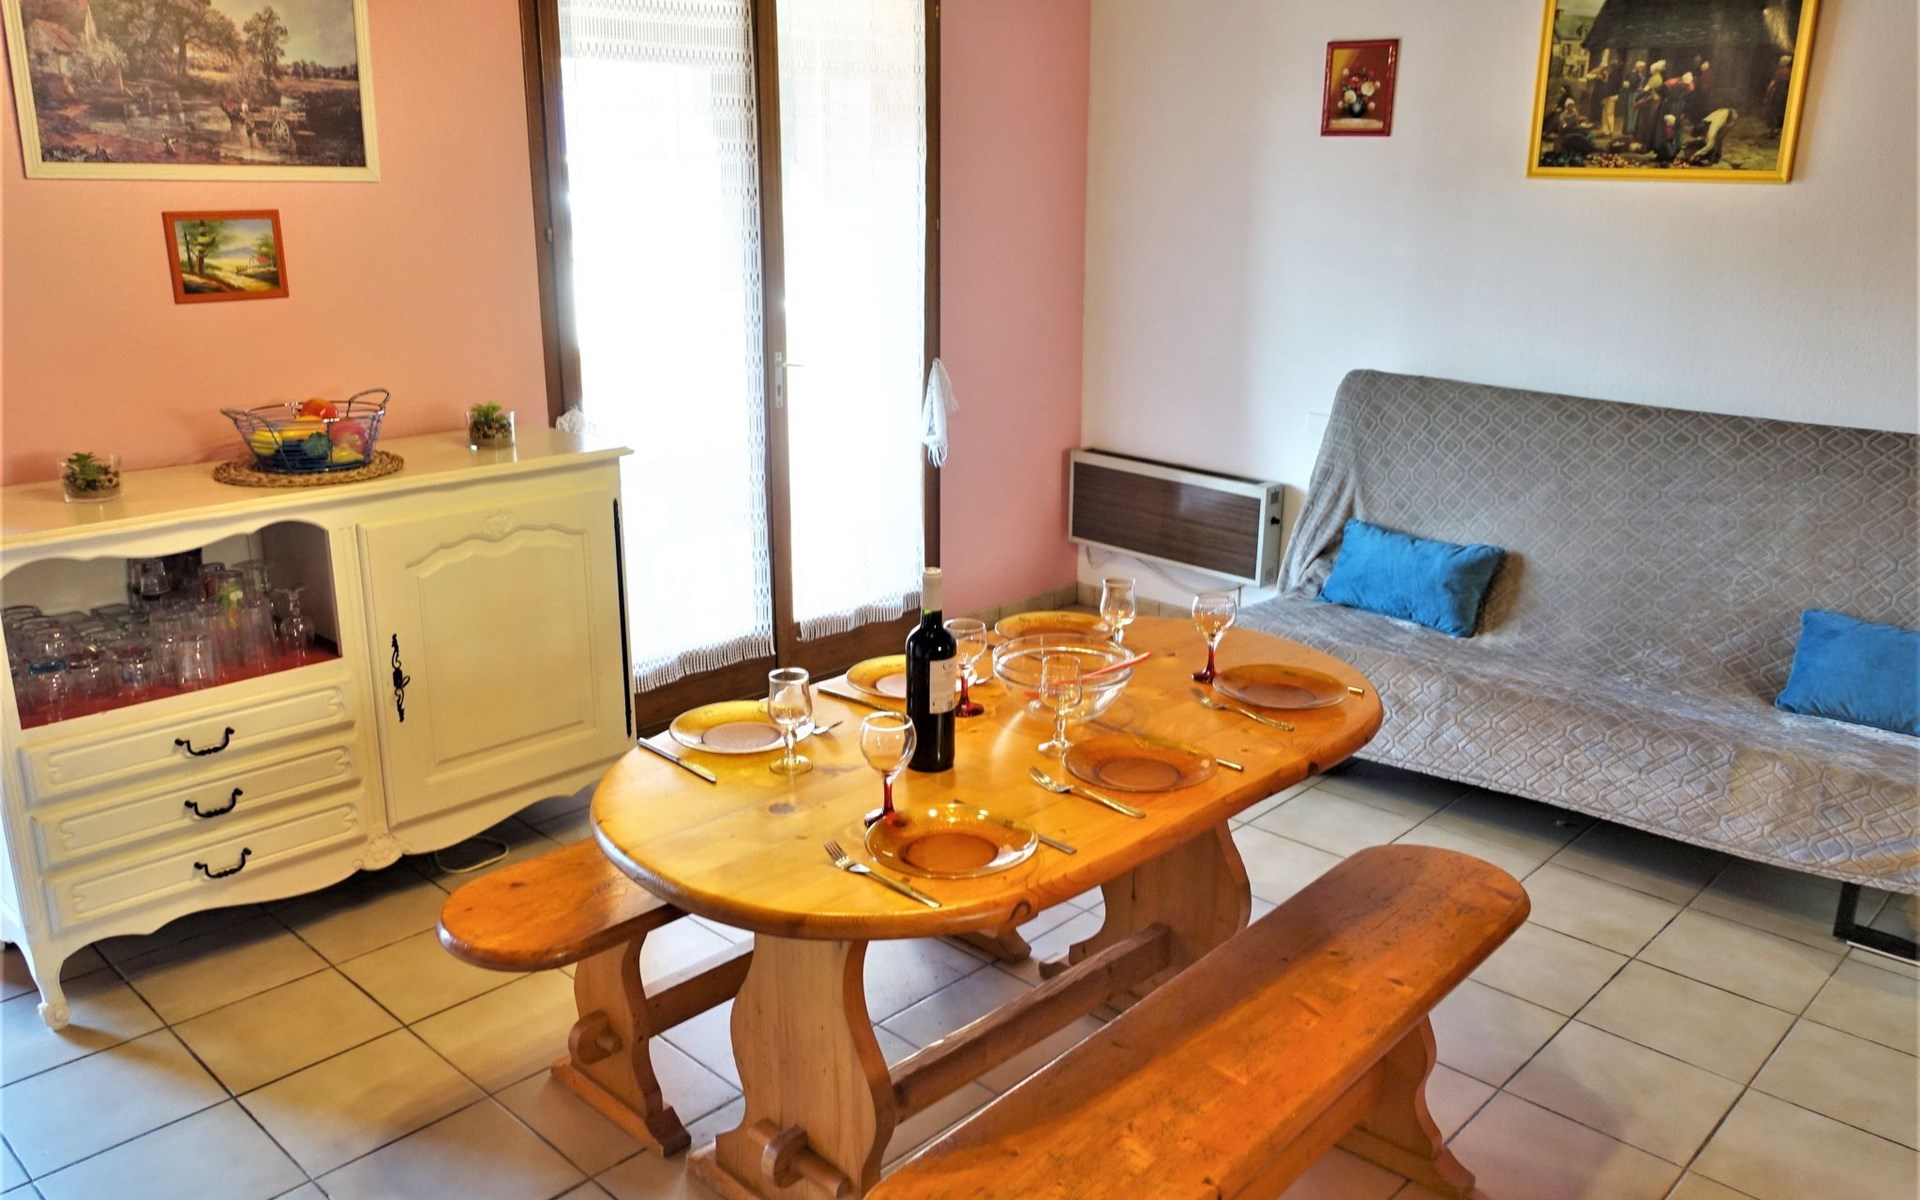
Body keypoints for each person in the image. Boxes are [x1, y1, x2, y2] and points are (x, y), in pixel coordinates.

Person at [1765, 54, 1794, 134]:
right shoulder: (1788, 71)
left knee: (1776, 110)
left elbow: (1773, 82)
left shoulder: (1782, 71)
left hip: (1779, 93)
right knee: (1779, 110)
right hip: (1783, 93)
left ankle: (1775, 129)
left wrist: (1769, 91)